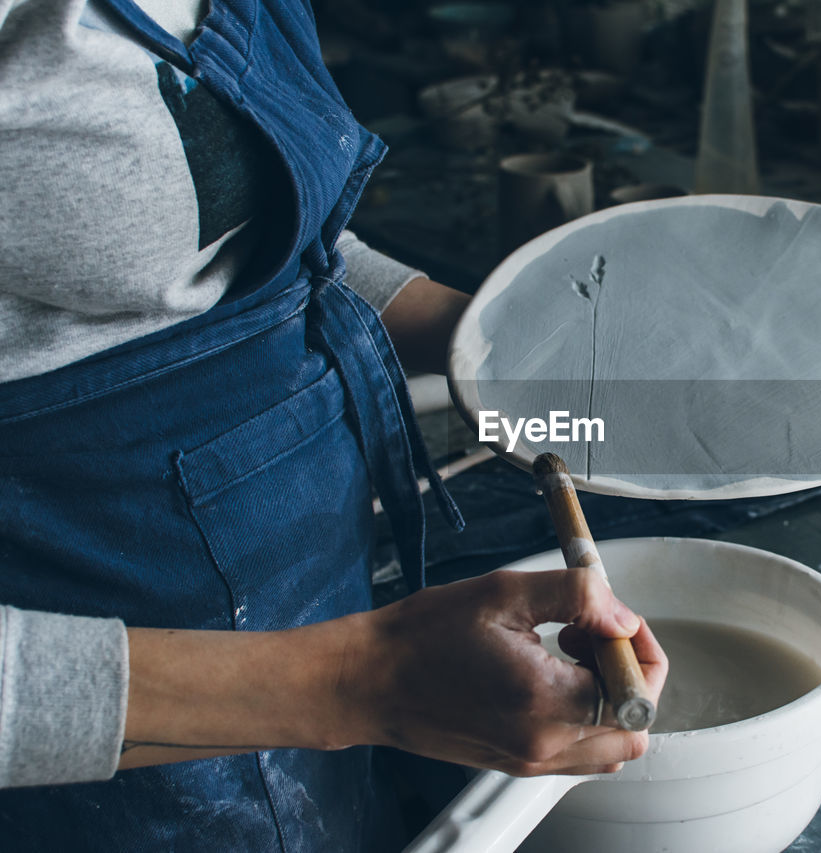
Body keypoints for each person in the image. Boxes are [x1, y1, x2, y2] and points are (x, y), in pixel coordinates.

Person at [0, 0, 667, 849]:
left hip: (313, 638)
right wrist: (367, 679)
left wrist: (483, 340)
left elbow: (239, 227)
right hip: (91, 740)